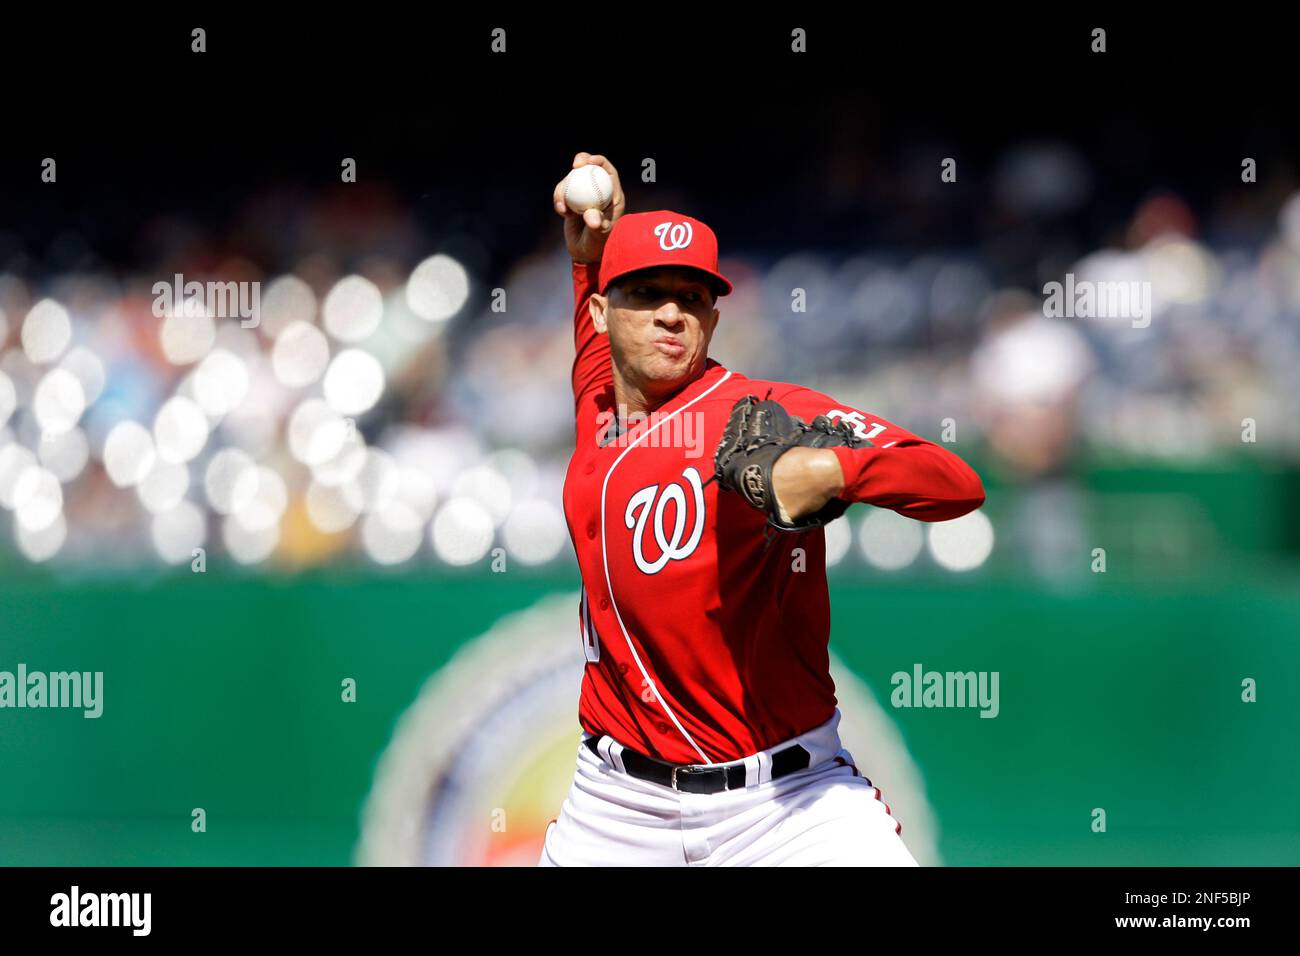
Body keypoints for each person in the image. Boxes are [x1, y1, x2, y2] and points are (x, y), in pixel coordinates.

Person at [539, 152, 985, 866]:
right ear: (600, 310)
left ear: (715, 314)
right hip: (615, 810)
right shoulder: (600, 403)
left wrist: (835, 468)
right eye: (647, 291)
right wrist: (589, 251)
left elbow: (956, 483)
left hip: (789, 808)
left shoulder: (766, 411)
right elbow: (595, 331)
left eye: (691, 296)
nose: (670, 314)